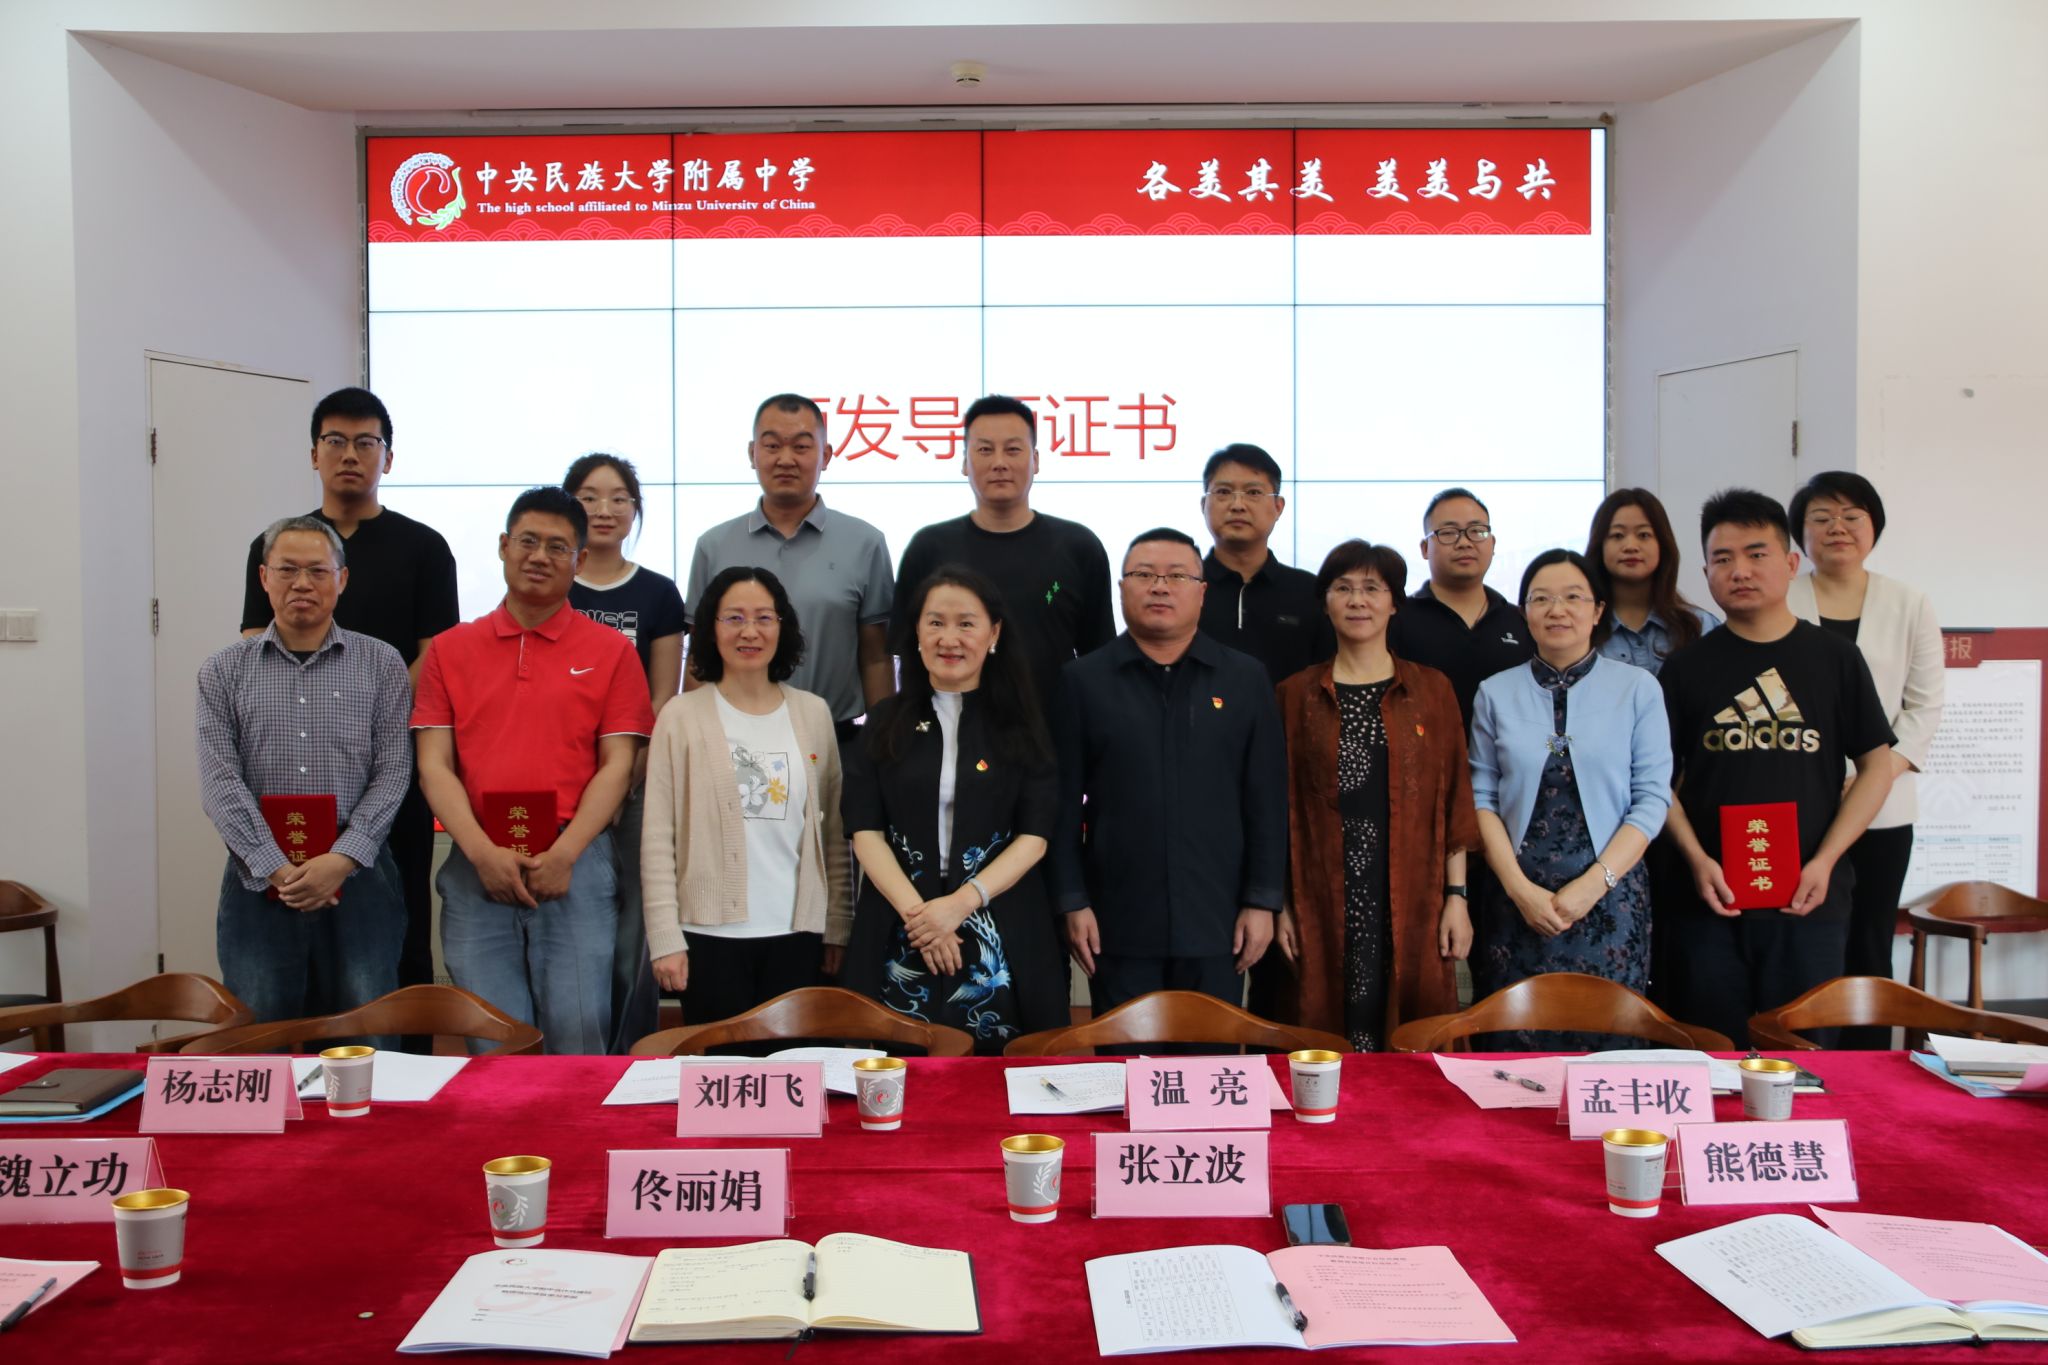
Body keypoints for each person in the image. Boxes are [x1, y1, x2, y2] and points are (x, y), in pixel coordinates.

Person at [240, 387, 458, 1049]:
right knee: (293, 938)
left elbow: (435, 655)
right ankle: (307, 1080)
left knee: (395, 934)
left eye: (367, 442)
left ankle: (404, 1074)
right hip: (293, 782)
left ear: (387, 457)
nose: (350, 454)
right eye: (335, 440)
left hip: (388, 773)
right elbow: (254, 644)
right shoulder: (283, 543)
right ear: (314, 453)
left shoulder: (424, 547)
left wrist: (370, 712)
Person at [411, 488, 653, 1054]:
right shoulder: (449, 649)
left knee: (579, 1031)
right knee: (492, 1039)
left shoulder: (612, 651)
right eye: (528, 541)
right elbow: (433, 765)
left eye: (557, 547)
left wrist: (566, 853)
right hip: (476, 861)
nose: (540, 556)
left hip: (577, 861)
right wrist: (481, 853)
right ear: (503, 546)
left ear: (580, 560)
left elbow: (618, 766)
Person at [1659, 489, 1896, 1047]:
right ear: (1706, 574)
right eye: (1722, 559)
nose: (1739, 570)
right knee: (1712, 1058)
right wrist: (1696, 859)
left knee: (1805, 1061)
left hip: (1808, 900)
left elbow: (1877, 766)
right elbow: (1654, 783)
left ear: (1791, 563)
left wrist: (1825, 861)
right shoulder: (1685, 668)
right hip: (1709, 903)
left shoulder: (1835, 659)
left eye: (1756, 553)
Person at [1050, 529, 1286, 1016]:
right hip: (1116, 919)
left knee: (1213, 1057)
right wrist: (1072, 900)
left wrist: (1262, 900)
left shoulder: (1244, 679)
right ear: (1121, 589)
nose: (1160, 586)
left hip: (1220, 918)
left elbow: (1266, 799)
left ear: (1202, 592)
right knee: (1125, 1058)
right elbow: (1062, 804)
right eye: (1144, 575)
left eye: (1177, 576)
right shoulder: (1081, 681)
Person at [839, 568, 1067, 1049]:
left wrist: (959, 906)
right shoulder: (883, 722)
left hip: (1000, 919)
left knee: (1003, 1070)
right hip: (900, 919)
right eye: (935, 622)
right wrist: (924, 920)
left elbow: (1035, 836)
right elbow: (865, 831)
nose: (949, 638)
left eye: (966, 623)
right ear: (916, 633)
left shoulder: (1024, 724)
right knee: (896, 1066)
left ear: (994, 634)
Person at [200, 517, 412, 1025]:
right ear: (264, 578)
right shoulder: (223, 671)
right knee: (260, 1032)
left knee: (367, 1029)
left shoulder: (382, 664)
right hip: (258, 875)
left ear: (342, 579)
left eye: (317, 571)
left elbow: (394, 770)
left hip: (359, 871)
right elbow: (220, 781)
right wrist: (276, 867)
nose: (302, 583)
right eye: (287, 570)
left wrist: (341, 858)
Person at [1274, 540, 1478, 1051]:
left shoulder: (1432, 690)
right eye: (1343, 588)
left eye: (1372, 588)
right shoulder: (1294, 695)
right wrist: (1280, 905)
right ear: (1325, 603)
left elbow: (1455, 798)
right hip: (1321, 897)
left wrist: (1456, 899)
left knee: (1412, 1034)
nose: (1357, 600)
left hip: (1412, 894)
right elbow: (1278, 810)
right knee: (1321, 1025)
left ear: (1394, 603)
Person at [1469, 550, 1671, 1046]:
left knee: (1605, 1042)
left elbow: (1651, 799)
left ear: (1598, 610)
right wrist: (1518, 889)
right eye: (1541, 599)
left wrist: (1594, 886)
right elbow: (1481, 797)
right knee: (1513, 1045)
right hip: (1517, 898)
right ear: (1525, 612)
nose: (1557, 610)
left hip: (1610, 896)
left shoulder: (1638, 689)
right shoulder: (1494, 693)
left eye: (1573, 597)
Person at [641, 567, 852, 1026]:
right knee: (721, 1065)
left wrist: (837, 924)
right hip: (707, 936)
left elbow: (833, 834)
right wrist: (665, 938)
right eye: (733, 618)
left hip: (798, 934)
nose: (749, 631)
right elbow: (657, 838)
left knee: (795, 1063)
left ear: (782, 627)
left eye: (763, 618)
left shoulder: (813, 713)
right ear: (710, 628)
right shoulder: (680, 716)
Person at [1788, 471, 1944, 1048]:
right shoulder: (1782, 599)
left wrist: (1876, 775)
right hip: (1798, 805)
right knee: (1801, 938)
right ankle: (1803, 1054)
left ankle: (1869, 1064)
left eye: (1852, 516)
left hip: (1884, 810)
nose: (1838, 527)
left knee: (1870, 941)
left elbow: (1923, 708)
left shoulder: (1908, 602)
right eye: (1821, 517)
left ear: (1873, 526)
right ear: (1800, 533)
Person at [892, 395, 1116, 724]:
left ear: (1035, 460)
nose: (999, 462)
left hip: (1054, 734)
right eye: (985, 450)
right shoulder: (929, 548)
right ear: (965, 462)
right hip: (950, 735)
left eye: (1012, 449)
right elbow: (907, 655)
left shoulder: (1078, 546)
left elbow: (1099, 658)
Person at [685, 394, 895, 746]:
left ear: (825, 456)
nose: (785, 459)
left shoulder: (865, 543)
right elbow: (698, 656)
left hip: (835, 740)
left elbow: (876, 659)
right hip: (733, 741)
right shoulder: (713, 546)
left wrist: (886, 745)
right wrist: (692, 741)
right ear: (752, 453)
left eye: (801, 446)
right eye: (772, 446)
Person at [563, 452, 685, 1054]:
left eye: (619, 498)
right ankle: (576, 1056)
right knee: (574, 930)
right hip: (564, 786)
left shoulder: (657, 592)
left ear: (635, 509)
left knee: (636, 927)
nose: (604, 509)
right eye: (589, 496)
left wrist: (628, 774)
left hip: (637, 780)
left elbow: (662, 695)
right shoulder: (554, 586)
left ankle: (632, 1052)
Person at [1387, 486, 1534, 727]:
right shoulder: (1397, 620)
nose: (1464, 542)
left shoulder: (1520, 620)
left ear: (1492, 543)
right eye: (1448, 532)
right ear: (1425, 548)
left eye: (1477, 531)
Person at [1197, 443, 1334, 686]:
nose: (1237, 505)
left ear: (1278, 507)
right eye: (1223, 492)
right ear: (1203, 505)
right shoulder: (1183, 587)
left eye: (1253, 492)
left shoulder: (1309, 591)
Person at [1587, 488, 1721, 675]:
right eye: (1617, 535)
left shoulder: (1700, 626)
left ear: (1662, 545)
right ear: (1600, 545)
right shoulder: (1581, 628)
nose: (1631, 546)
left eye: (1644, 535)